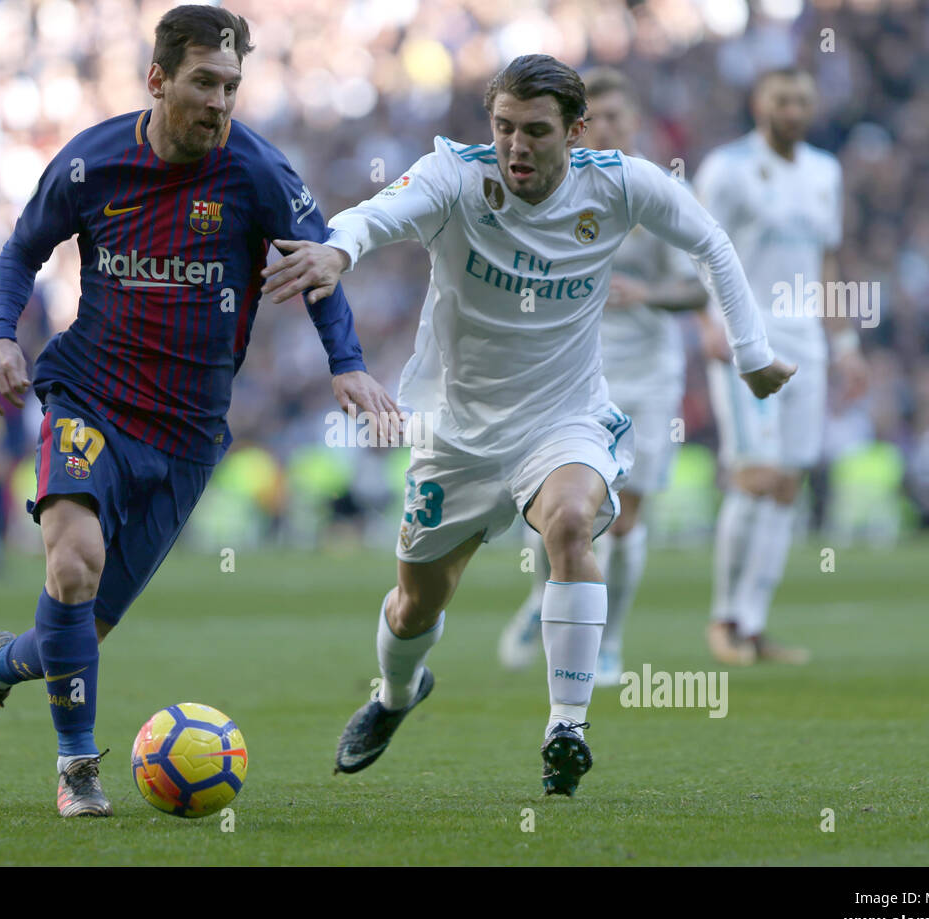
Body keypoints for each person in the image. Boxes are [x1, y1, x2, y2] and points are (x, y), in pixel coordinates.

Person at [262, 54, 793, 796]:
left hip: (564, 418)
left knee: (572, 521)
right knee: (416, 603)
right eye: (505, 126)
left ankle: (566, 727)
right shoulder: (456, 175)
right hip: (457, 434)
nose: (516, 146)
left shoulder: (617, 183)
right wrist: (337, 249)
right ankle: (394, 696)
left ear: (575, 132)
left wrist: (752, 353)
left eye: (536, 131)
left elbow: (711, 242)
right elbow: (378, 216)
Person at [0, 5, 396, 817]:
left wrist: (348, 364)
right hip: (88, 396)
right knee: (71, 562)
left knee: (75, 636)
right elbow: (20, 252)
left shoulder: (256, 172)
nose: (221, 102)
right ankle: (78, 769)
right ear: (157, 80)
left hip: (186, 436)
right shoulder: (90, 165)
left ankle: (0, 667)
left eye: (232, 86)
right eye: (205, 83)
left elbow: (315, 264)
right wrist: (0, 337)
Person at [497, 66, 709, 684]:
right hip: (569, 369)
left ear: (636, 122)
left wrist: (644, 293)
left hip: (648, 373)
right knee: (558, 506)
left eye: (618, 117)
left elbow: (698, 288)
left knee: (630, 514)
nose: (607, 129)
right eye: (598, 120)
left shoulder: (660, 189)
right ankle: (547, 597)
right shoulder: (550, 190)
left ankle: (609, 641)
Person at [696, 67, 868, 667]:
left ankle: (752, 623)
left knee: (788, 485)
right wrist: (709, 320)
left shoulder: (826, 171)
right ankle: (723, 619)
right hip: (748, 337)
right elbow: (699, 246)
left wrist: (845, 347)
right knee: (756, 474)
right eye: (782, 99)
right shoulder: (727, 169)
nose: (793, 108)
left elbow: (826, 261)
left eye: (802, 99)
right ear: (759, 103)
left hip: (807, 342)